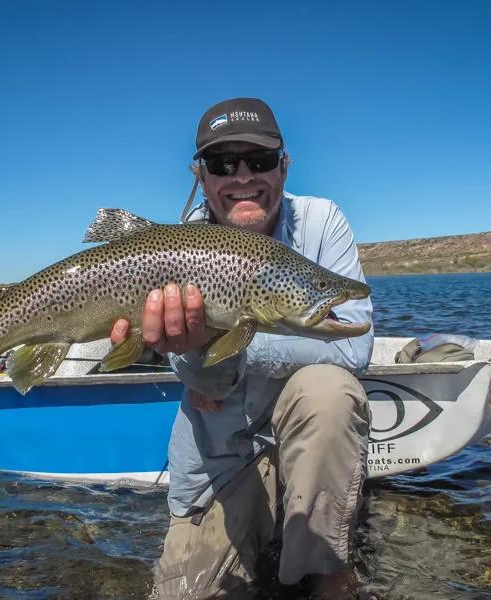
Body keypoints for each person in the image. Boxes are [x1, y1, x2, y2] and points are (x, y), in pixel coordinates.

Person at [110, 98, 374, 599]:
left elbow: (355, 346)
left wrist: (235, 345)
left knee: (328, 388)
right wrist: (201, 358)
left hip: (308, 451)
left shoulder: (321, 221)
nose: (242, 176)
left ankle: (327, 577)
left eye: (259, 160)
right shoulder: (178, 248)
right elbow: (203, 381)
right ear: (202, 176)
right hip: (221, 465)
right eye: (222, 164)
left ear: (285, 165)